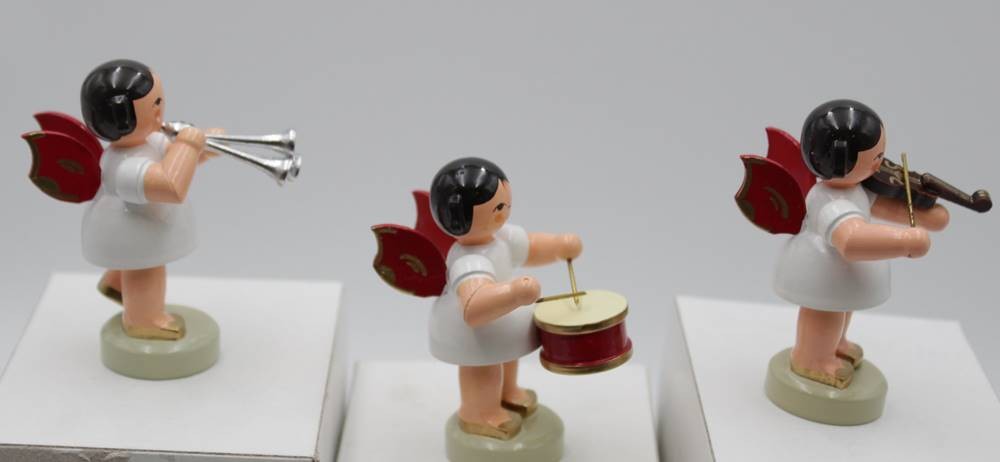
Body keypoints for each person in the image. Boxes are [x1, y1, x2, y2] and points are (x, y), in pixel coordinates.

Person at [775, 99, 949, 388]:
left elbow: (884, 208)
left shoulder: (857, 189)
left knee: (841, 309)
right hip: (822, 270)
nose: (883, 163)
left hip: (839, 272)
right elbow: (852, 240)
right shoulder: (829, 202)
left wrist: (927, 217)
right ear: (843, 160)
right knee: (826, 312)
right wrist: (905, 241)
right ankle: (810, 358)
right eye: (876, 157)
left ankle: (834, 344)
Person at [428, 157, 582, 439]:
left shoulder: (501, 237)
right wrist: (514, 293)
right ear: (461, 217)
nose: (505, 212)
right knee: (484, 367)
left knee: (507, 358)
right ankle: (478, 412)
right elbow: (474, 307)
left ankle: (507, 393)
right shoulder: (469, 261)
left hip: (500, 320)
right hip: (473, 331)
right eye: (498, 208)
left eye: (506, 204)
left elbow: (531, 247)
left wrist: (558, 246)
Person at [79, 59, 217, 340]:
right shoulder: (124, 167)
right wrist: (188, 144)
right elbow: (170, 186)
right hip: (132, 230)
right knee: (145, 266)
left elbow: (176, 161)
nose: (160, 109)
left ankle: (117, 283)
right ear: (123, 117)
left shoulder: (150, 141)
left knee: (136, 261)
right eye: (154, 103)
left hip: (140, 224)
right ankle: (143, 320)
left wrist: (202, 148)